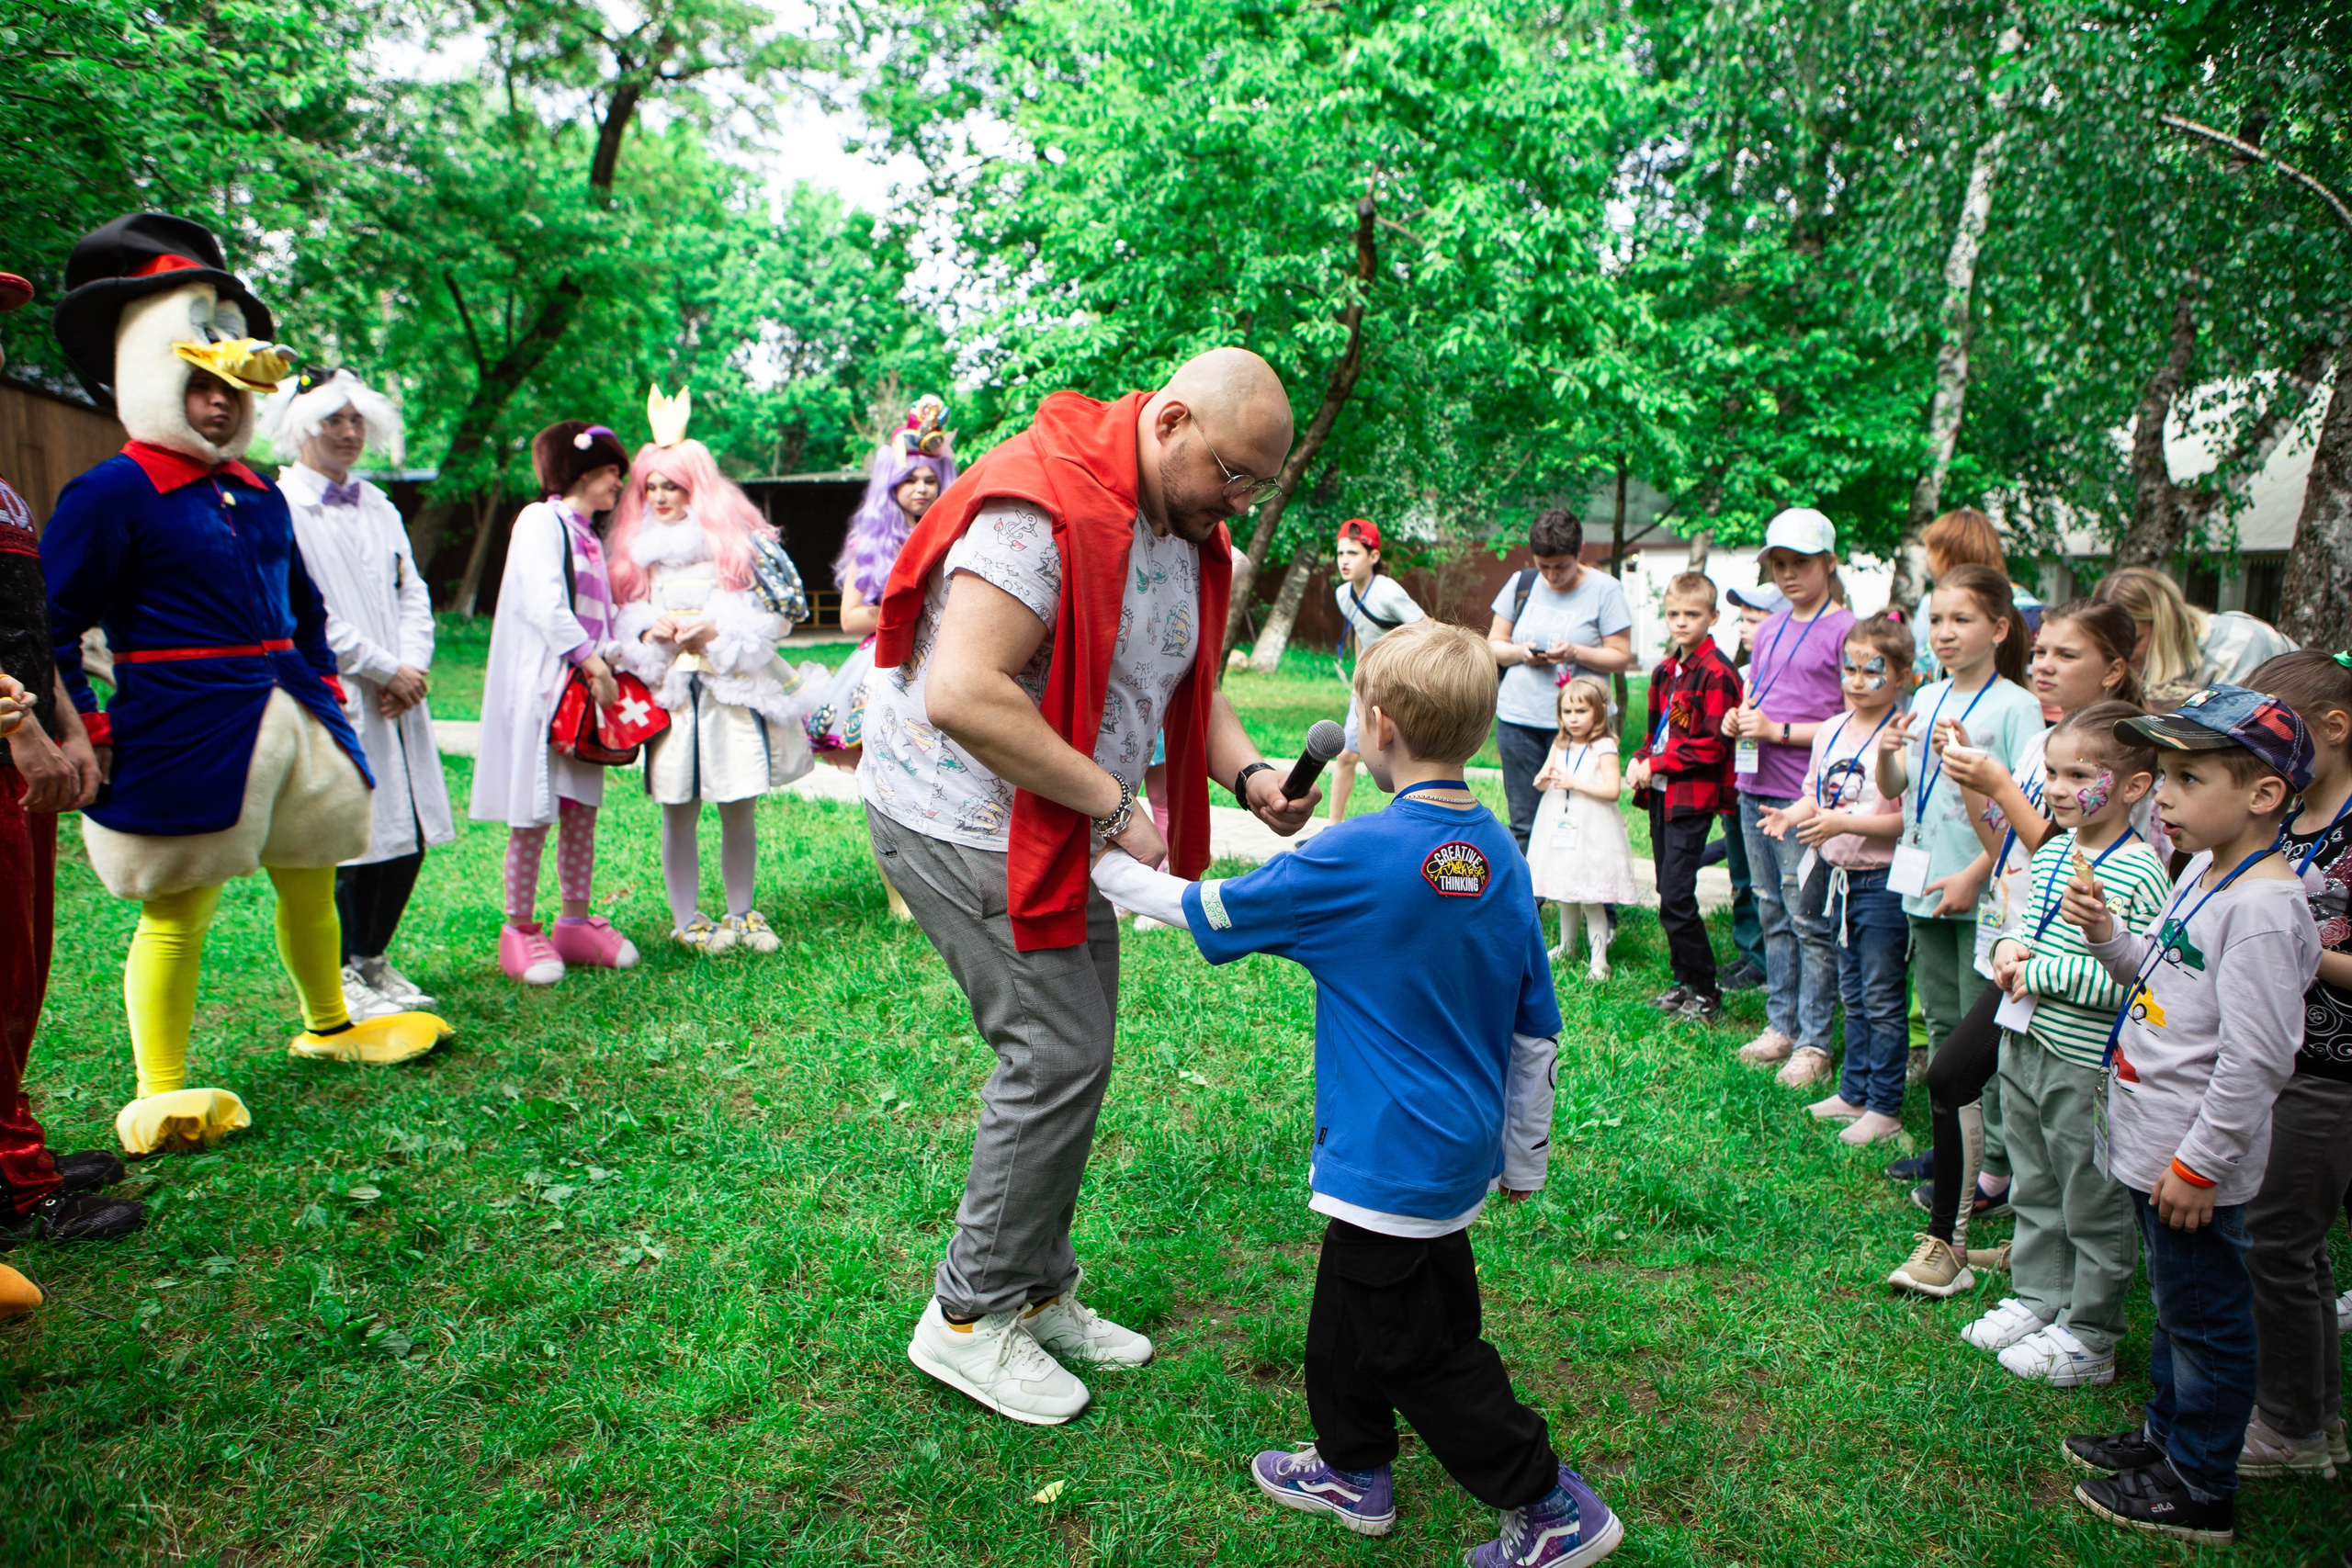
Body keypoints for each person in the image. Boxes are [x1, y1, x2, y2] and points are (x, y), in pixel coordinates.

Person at [1088, 619, 1623, 1568]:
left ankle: (1548, 1505)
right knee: (1355, 1303)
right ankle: (1350, 1464)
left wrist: (1105, 862)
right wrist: (1524, 1156)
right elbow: (1536, 1026)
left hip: (1387, 1157)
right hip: (1454, 1150)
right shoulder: (1500, 854)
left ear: (1377, 726)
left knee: (1417, 1349)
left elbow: (1209, 908)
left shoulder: (1356, 852)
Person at [865, 347, 1317, 1426]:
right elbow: (963, 693)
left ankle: (1031, 1289)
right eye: (1233, 475)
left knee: (1076, 1050)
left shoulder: (1181, 529)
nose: (1240, 505)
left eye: (1259, 487)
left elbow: (1185, 681)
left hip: (1052, 819)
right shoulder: (1044, 507)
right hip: (961, 814)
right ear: (1169, 423)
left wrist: (1250, 775)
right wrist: (1113, 805)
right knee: (1056, 1050)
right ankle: (967, 1318)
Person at [43, 213, 449, 1156]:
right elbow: (51, 624)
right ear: (152, 379)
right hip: (181, 726)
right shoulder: (110, 493)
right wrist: (88, 729)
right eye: (199, 385)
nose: (219, 405)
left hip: (292, 718)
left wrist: (320, 688)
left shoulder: (261, 491)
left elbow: (302, 606)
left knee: (311, 882)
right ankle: (159, 1088)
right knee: (178, 906)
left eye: (232, 389)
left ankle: (329, 1022)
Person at [2060, 685, 2319, 1547]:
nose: (2162, 795)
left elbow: (2258, 1058)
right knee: (2178, 1307)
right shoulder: (2207, 871)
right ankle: (2166, 1437)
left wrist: (2201, 1164)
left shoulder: (2264, 908)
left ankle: (2199, 1484)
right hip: (2159, 1144)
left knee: (2207, 1321)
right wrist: (2107, 933)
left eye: (2187, 778)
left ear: (2265, 793)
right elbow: (2162, 972)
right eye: (2163, 776)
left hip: (2191, 1163)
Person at [1889, 599, 2146, 1293]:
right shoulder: (2047, 743)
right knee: (1991, 1097)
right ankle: (2008, 1252)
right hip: (2018, 943)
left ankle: (2045, 1278)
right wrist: (1975, 783)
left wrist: (2000, 784)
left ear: (2113, 669)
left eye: (2066, 655)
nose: (2044, 667)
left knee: (2021, 1113)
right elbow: (2012, 846)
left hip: (2075, 977)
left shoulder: (2129, 757)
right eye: (2040, 653)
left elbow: (2077, 856)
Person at [0, 260, 141, 1257]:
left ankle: (13, 1142)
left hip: (23, 750)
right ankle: (17, 1185)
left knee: (22, 963)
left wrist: (64, 717)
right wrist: (13, 723)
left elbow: (26, 616)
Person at [1967, 703, 2171, 1383]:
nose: (2056, 787)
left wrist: (2039, 973)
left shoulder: (2141, 872)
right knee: (2034, 1179)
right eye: (2052, 772)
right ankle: (2040, 1297)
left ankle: (2091, 1331)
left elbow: (2136, 980)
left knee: (2090, 1194)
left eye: (2079, 774)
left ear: (2133, 786)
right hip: (2025, 1042)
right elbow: (2023, 925)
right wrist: (2007, 949)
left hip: (2085, 1062)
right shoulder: (2054, 849)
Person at [264, 367, 455, 1021]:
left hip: (401, 694)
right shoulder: (280, 507)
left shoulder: (379, 504)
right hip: (338, 689)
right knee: (351, 832)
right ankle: (340, 969)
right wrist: (381, 668)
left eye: (356, 421)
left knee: (408, 831)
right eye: (333, 420)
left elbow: (412, 592)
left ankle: (373, 955)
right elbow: (302, 610)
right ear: (301, 426)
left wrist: (412, 666)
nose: (348, 433)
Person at [610, 386, 823, 955]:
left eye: (672, 486)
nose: (660, 496)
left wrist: (718, 632)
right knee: (677, 809)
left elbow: (778, 616)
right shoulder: (636, 554)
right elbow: (622, 621)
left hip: (731, 694)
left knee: (738, 804)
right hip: (674, 699)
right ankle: (686, 919)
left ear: (695, 487)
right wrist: (647, 631)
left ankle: (742, 911)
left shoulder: (733, 545)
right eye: (651, 486)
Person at [470, 421, 641, 986]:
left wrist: (610, 657)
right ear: (580, 471)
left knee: (580, 812)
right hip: (547, 690)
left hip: (581, 696)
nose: (618, 483)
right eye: (611, 471)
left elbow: (598, 618)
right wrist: (594, 663)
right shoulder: (541, 521)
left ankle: (574, 922)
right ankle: (519, 928)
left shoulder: (588, 536)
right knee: (534, 814)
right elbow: (547, 604)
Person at [2239, 649, 2352, 1478]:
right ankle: (2315, 1417)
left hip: (2331, 1072)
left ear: (2335, 727)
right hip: (2277, 1058)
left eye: (2280, 728)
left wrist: (2296, 946)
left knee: (2278, 1241)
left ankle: (2291, 1428)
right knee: (2292, 1247)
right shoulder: (2288, 814)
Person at [1873, 566, 2041, 1074]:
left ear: (1999, 629)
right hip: (1924, 878)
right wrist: (1885, 752)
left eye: (1961, 620)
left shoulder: (2019, 707)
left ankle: (1983, 1124)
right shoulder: (1927, 696)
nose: (1944, 633)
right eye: (1936, 620)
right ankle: (1946, 1120)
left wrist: (1973, 876)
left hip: (1985, 891)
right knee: (1939, 1014)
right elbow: (1896, 788)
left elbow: (2026, 810)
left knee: (1978, 1021)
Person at [1758, 615, 1911, 1139]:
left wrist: (1842, 823)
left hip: (1882, 883)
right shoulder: (1830, 729)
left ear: (1901, 675)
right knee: (1854, 992)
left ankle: (1885, 1107)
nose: (1857, 680)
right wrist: (1789, 816)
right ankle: (1853, 1093)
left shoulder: (1900, 735)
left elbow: (1905, 821)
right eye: (1850, 668)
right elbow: (1814, 794)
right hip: (1837, 879)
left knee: (1882, 997)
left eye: (1872, 670)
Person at [1724, 509, 1855, 1079]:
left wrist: (1778, 731)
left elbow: (1856, 719)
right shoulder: (1771, 626)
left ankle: (1815, 1042)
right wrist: (1738, 719)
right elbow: (1759, 696)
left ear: (1829, 562)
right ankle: (1780, 1025)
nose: (1787, 574)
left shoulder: (1847, 629)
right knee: (1770, 908)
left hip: (1805, 794)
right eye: (1778, 564)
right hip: (1754, 784)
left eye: (1800, 562)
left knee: (1809, 920)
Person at [819, 396, 957, 919]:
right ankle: (900, 894)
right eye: (909, 479)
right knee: (883, 781)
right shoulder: (871, 543)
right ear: (890, 485)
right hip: (885, 667)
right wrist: (906, 612)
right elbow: (850, 618)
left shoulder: (958, 535)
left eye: (929, 478)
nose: (920, 488)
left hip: (947, 664)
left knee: (944, 777)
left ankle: (949, 883)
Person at [1485, 507, 1633, 851]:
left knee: (1580, 820)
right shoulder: (1522, 583)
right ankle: (1529, 887)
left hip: (1581, 727)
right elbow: (1493, 645)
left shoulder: (1606, 590)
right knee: (1524, 823)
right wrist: (1521, 652)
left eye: (1561, 567)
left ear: (1580, 551)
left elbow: (1620, 655)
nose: (1551, 576)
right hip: (1519, 719)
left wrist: (1576, 653)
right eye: (1544, 566)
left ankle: (1579, 885)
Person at [1629, 571, 1740, 1021]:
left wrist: (1656, 763)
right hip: (1660, 794)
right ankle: (1682, 981)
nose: (1681, 622)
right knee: (1666, 890)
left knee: (1677, 896)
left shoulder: (1718, 674)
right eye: (1673, 613)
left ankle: (1707, 989)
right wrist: (1640, 760)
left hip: (1692, 798)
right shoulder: (1664, 671)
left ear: (1713, 617)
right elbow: (1655, 734)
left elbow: (1712, 746)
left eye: (1692, 614)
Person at [1529, 675, 1636, 979]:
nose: (1573, 718)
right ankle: (1568, 946)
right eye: (1567, 711)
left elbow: (1613, 790)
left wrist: (1574, 783)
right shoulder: (1560, 743)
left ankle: (1599, 958)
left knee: (1590, 893)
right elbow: (1544, 778)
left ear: (1598, 713)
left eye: (1581, 711)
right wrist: (1542, 780)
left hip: (1591, 825)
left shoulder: (1604, 746)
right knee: (1565, 890)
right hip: (1559, 822)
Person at [1326, 516, 1423, 822]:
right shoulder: (1343, 594)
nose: (1344, 560)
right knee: (1346, 755)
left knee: (1404, 762)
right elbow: (1361, 631)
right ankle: (1332, 827)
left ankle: (1409, 823)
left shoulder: (1389, 592)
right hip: (1367, 686)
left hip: (1401, 686)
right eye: (1340, 553)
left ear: (1374, 556)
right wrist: (1359, 676)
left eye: (1353, 553)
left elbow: (1428, 631)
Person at [1713, 583, 1785, 990]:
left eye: (1754, 620)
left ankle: (1767, 962)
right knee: (1743, 878)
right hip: (1741, 784)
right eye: (1742, 619)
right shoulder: (1743, 675)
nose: (1743, 628)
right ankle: (1750, 951)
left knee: (1771, 885)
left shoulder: (1790, 677)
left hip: (1780, 791)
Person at [2094, 565, 2294, 711]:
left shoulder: (2237, 646)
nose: (2123, 656)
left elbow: (2237, 737)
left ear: (2165, 625)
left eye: (2134, 642)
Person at [1910, 506, 2043, 680]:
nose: (1926, 561)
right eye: (1936, 621)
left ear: (1947, 556)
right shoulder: (2027, 605)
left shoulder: (2022, 612)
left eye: (1929, 552)